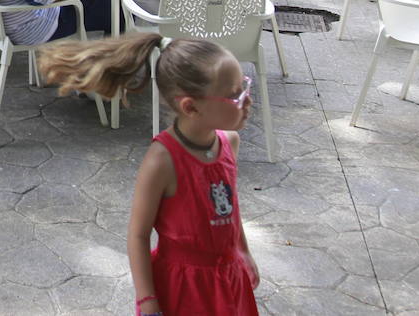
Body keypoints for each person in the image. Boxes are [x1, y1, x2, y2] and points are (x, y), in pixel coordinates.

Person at [37, 35, 260, 315]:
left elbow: (229, 207)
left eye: (245, 87)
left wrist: (243, 251)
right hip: (184, 289)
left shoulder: (230, 143)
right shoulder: (162, 161)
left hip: (227, 280)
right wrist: (147, 300)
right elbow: (138, 235)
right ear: (191, 107)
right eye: (234, 94)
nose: (247, 99)